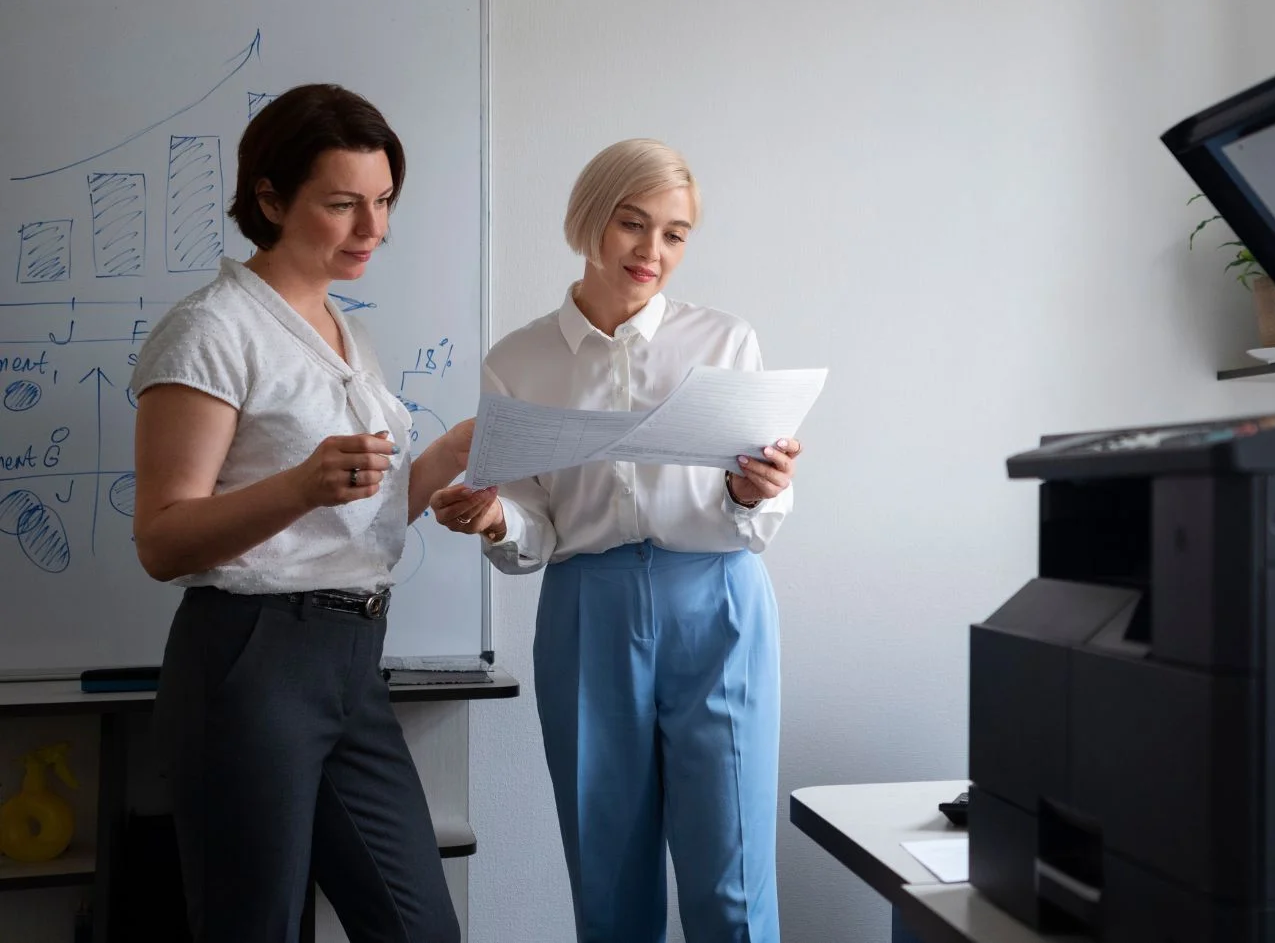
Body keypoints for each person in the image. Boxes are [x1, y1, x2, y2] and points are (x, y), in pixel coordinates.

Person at [429, 138, 801, 942]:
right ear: (589, 220)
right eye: (633, 224)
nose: (653, 251)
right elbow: (532, 523)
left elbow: (761, 506)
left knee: (732, 882)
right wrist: (495, 518)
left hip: (718, 605)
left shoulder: (726, 343)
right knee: (608, 881)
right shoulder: (517, 361)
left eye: (674, 233)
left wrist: (752, 488)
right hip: (588, 611)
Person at [130, 83, 469, 943]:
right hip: (251, 660)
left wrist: (451, 462)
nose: (373, 230)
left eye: (384, 201)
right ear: (271, 199)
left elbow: (355, 517)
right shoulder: (211, 330)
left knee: (421, 927)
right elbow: (163, 538)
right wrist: (298, 485)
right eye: (343, 204)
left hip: (352, 659)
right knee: (256, 930)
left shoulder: (340, 330)